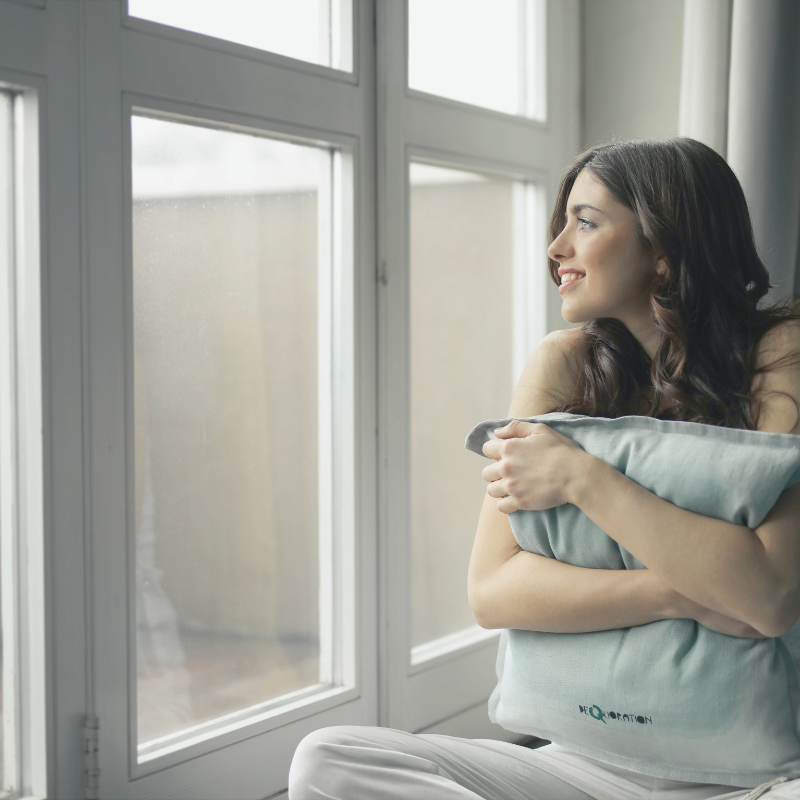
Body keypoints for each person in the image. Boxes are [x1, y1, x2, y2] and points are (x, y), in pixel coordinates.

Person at [287, 138, 800, 799]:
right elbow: (493, 591)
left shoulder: (780, 355)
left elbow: (769, 598)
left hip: (755, 782)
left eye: (585, 222)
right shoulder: (563, 363)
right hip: (577, 768)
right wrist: (680, 593)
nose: (556, 247)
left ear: (664, 247)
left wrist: (581, 477)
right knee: (328, 759)